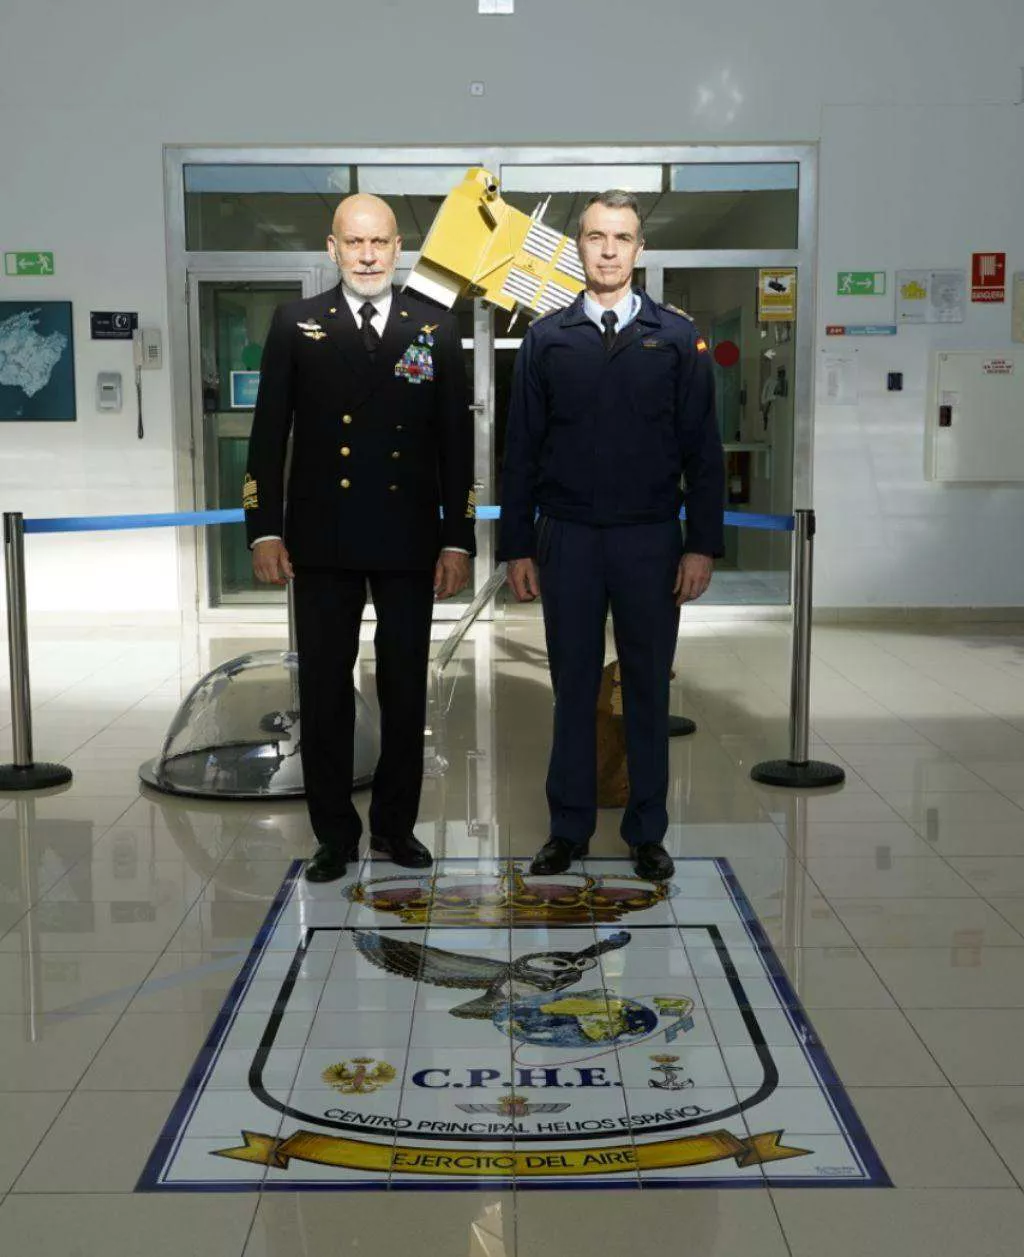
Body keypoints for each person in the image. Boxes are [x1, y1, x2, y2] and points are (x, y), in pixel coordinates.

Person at [244, 194, 475, 883]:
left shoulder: (434, 326)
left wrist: (456, 538)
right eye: (354, 243)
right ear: (332, 247)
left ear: (397, 247)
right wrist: (264, 528)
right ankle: (334, 835)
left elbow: (455, 445)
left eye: (378, 242)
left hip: (408, 539)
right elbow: (267, 437)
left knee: (405, 686)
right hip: (322, 539)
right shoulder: (296, 324)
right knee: (324, 688)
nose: (367, 255)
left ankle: (396, 827)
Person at [498, 190, 724, 882]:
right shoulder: (546, 339)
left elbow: (703, 450)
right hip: (565, 537)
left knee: (647, 686)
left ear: (639, 250)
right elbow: (520, 451)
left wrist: (700, 543)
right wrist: (517, 545)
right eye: (595, 236)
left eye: (621, 237)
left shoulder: (679, 340)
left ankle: (645, 829)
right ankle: (568, 827)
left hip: (650, 539)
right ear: (578, 246)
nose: (607, 249)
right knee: (571, 686)